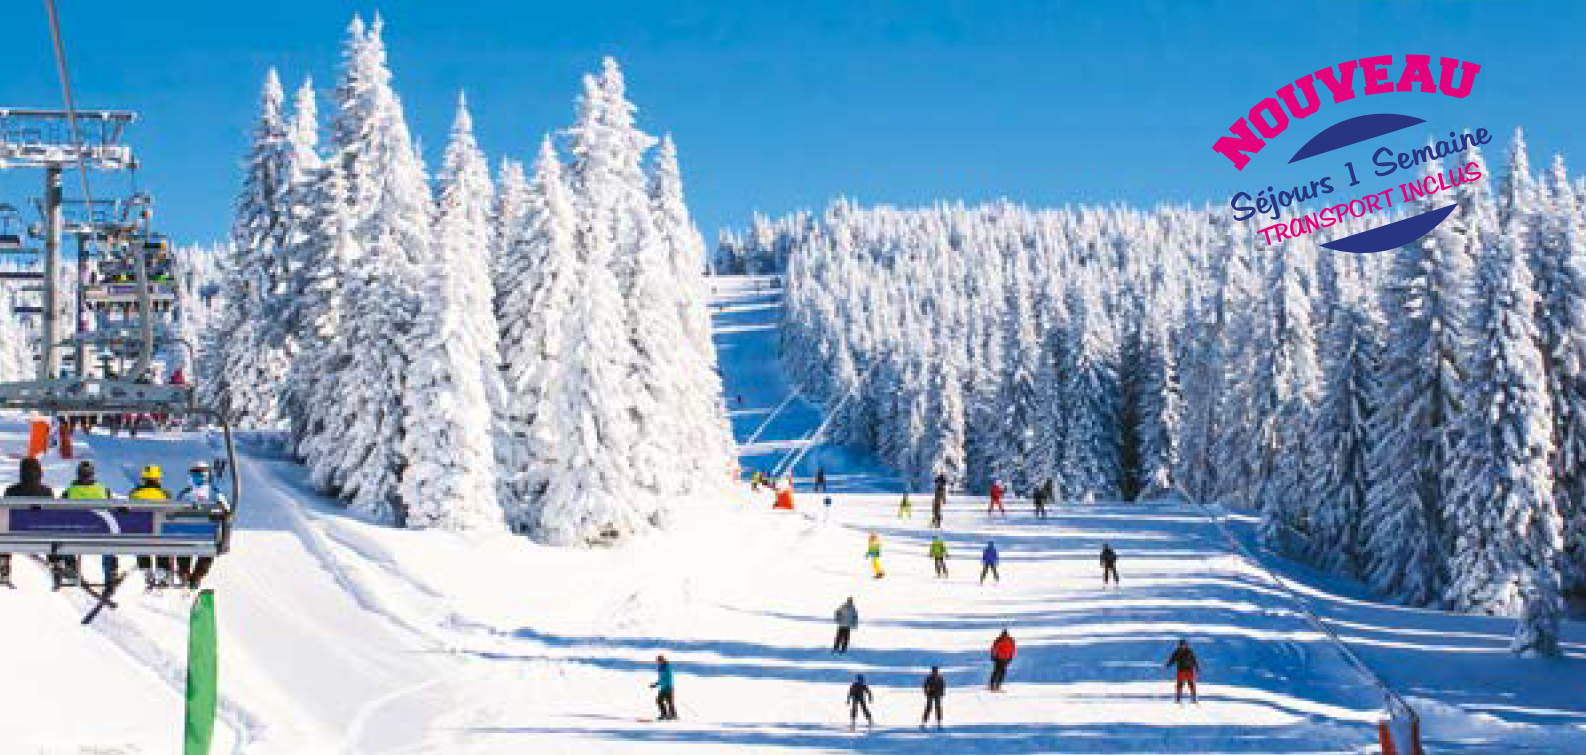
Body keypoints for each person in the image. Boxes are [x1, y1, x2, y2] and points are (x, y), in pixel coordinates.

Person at [3, 457, 57, 587]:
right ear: (39, 472)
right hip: (41, 537)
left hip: (14, 537)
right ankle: (55, 564)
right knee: (52, 527)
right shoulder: (47, 491)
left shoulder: (11, 491)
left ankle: (3, 563)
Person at [63, 461, 117, 584]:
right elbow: (112, 509)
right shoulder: (103, 490)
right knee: (109, 541)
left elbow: (61, 512)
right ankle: (110, 572)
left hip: (77, 532)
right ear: (92, 474)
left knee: (63, 534)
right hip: (100, 532)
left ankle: (70, 565)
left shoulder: (70, 490)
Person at [177, 461, 227, 589]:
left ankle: (184, 572)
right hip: (207, 536)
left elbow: (173, 513)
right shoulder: (214, 493)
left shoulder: (185, 494)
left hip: (186, 536)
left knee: (182, 543)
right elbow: (225, 509)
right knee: (209, 547)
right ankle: (197, 575)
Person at [129, 465, 175, 588]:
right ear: (158, 479)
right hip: (160, 536)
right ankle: (162, 571)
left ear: (144, 479)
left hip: (141, 536)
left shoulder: (134, 494)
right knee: (163, 536)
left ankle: (146, 569)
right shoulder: (165, 494)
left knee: (139, 534)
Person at [1165, 639, 1200, 704]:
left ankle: (1193, 698)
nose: (1182, 647)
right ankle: (1178, 699)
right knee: (1179, 685)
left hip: (1189, 670)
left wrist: (1197, 667)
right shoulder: (1177, 652)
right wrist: (1168, 664)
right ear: (1179, 646)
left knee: (1191, 684)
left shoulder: (1190, 651)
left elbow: (1194, 659)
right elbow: (1172, 659)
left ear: (1186, 645)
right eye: (1181, 645)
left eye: (1184, 645)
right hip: (1180, 670)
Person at [651, 655, 678, 720]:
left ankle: (673, 715)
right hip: (663, 688)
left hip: (668, 687)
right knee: (659, 700)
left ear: (662, 660)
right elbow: (661, 679)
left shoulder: (667, 667)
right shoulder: (661, 668)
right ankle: (664, 714)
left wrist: (667, 686)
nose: (657, 662)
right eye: (657, 661)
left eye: (658, 661)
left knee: (669, 702)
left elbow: (668, 678)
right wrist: (655, 684)